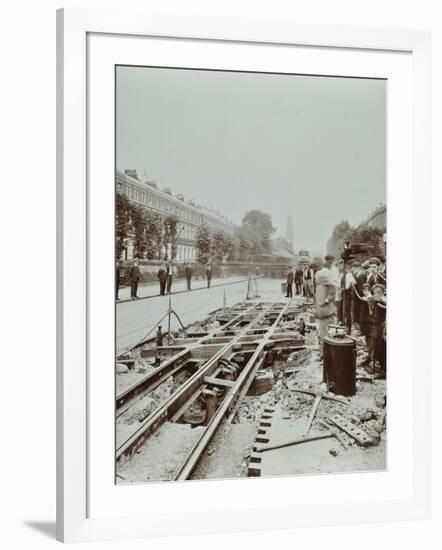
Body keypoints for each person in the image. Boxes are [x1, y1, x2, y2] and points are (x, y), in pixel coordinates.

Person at [314, 266, 338, 358]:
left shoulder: (328, 284)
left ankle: (328, 353)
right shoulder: (319, 286)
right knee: (322, 334)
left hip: (327, 313)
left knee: (329, 333)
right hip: (322, 314)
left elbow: (333, 293)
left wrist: (326, 301)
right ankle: (323, 353)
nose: (317, 278)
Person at [370, 283, 387, 379]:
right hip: (375, 326)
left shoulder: (383, 301)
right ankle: (377, 366)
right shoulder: (376, 302)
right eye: (374, 292)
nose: (375, 295)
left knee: (379, 348)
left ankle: (382, 370)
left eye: (377, 292)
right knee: (375, 346)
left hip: (380, 327)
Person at [340, 263, 356, 333]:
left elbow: (352, 283)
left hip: (347, 295)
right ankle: (343, 324)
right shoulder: (344, 275)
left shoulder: (349, 275)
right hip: (343, 294)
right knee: (342, 310)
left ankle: (348, 327)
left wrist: (346, 288)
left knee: (347, 311)